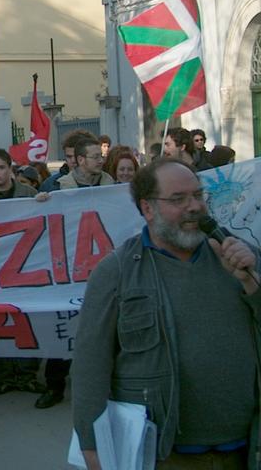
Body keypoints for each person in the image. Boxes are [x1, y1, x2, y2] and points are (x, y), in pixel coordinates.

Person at [72, 159, 260, 468]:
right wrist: (91, 443)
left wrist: (251, 284)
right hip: (163, 452)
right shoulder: (117, 271)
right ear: (148, 208)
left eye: (198, 195)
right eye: (178, 199)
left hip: (245, 448)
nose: (194, 206)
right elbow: (90, 363)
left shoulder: (239, 256)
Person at [38, 136, 114, 410]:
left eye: (101, 156)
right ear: (80, 160)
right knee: (65, 326)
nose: (100, 160)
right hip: (68, 267)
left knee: (103, 327)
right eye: (95, 156)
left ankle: (104, 386)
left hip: (103, 266)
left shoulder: (112, 186)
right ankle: (55, 385)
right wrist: (39, 202)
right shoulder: (56, 186)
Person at [0, 150, 45, 398]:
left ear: (10, 168)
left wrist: (44, 202)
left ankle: (27, 375)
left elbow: (46, 221)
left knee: (27, 319)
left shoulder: (28, 194)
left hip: (26, 265)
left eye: (1, 168)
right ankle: (4, 376)